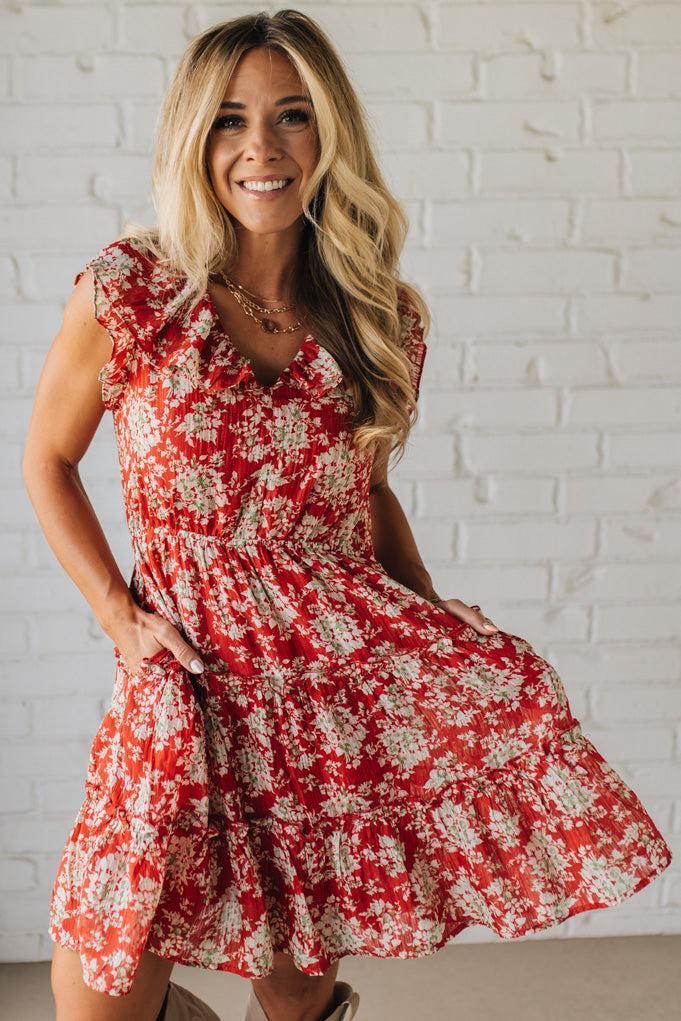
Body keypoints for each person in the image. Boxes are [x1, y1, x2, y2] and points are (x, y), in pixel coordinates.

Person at [22, 10, 672, 1021]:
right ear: (194, 138)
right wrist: (119, 614)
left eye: (292, 116)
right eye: (231, 120)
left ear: (330, 134)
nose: (262, 149)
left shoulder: (379, 317)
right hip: (184, 670)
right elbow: (47, 460)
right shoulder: (133, 291)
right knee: (98, 979)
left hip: (325, 685)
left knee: (291, 982)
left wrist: (430, 612)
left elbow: (361, 488)